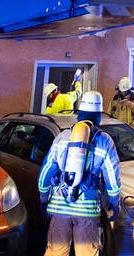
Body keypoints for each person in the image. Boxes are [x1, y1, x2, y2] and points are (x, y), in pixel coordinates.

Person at [37, 91, 122, 256]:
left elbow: (44, 175)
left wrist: (43, 199)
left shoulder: (62, 138)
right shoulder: (105, 141)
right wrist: (114, 203)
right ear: (98, 117)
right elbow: (112, 179)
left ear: (78, 115)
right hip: (88, 211)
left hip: (59, 208)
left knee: (55, 252)